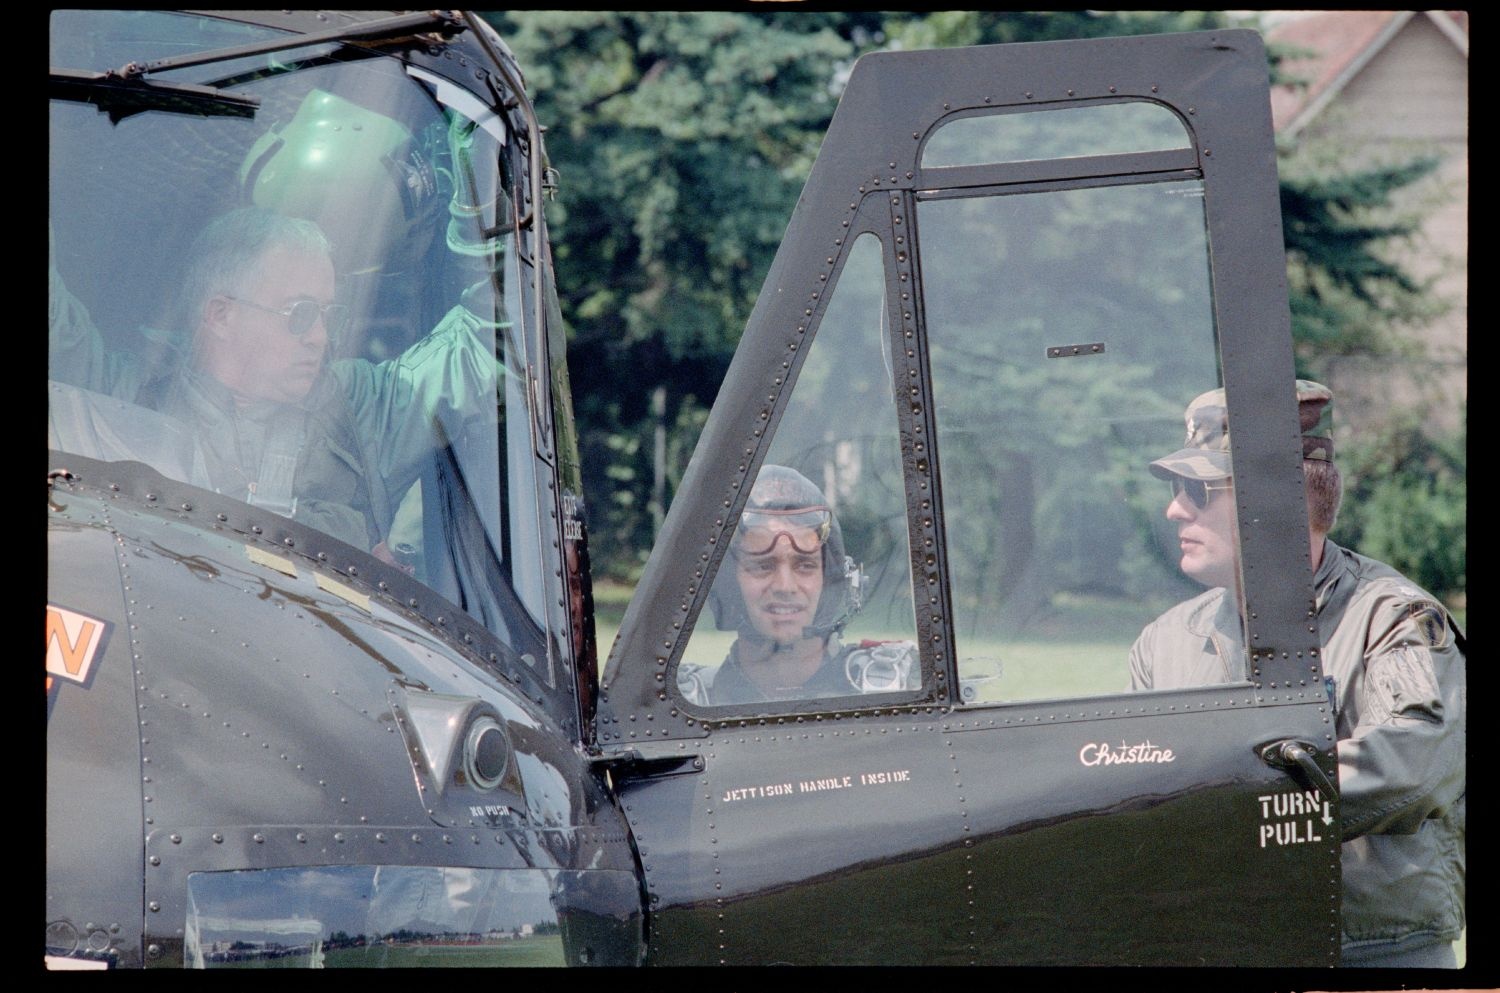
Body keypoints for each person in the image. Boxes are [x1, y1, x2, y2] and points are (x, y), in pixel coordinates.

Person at [1130, 381, 1465, 967]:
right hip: (1217, 943)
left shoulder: (1394, 619)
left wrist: (1228, 800)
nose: (1174, 508)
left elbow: (1411, 767)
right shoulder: (1163, 643)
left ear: (1274, 503)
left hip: (1370, 948)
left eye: (1197, 489)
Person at [50, 206, 506, 560]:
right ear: (221, 315)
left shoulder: (359, 412)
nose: (320, 339)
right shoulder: (120, 394)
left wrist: (479, 186)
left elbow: (495, 338)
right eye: (300, 314)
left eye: (328, 316)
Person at [677, 464, 916, 706]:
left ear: (829, 578)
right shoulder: (686, 704)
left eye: (805, 566)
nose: (785, 586)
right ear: (728, 584)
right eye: (762, 566)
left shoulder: (901, 689)